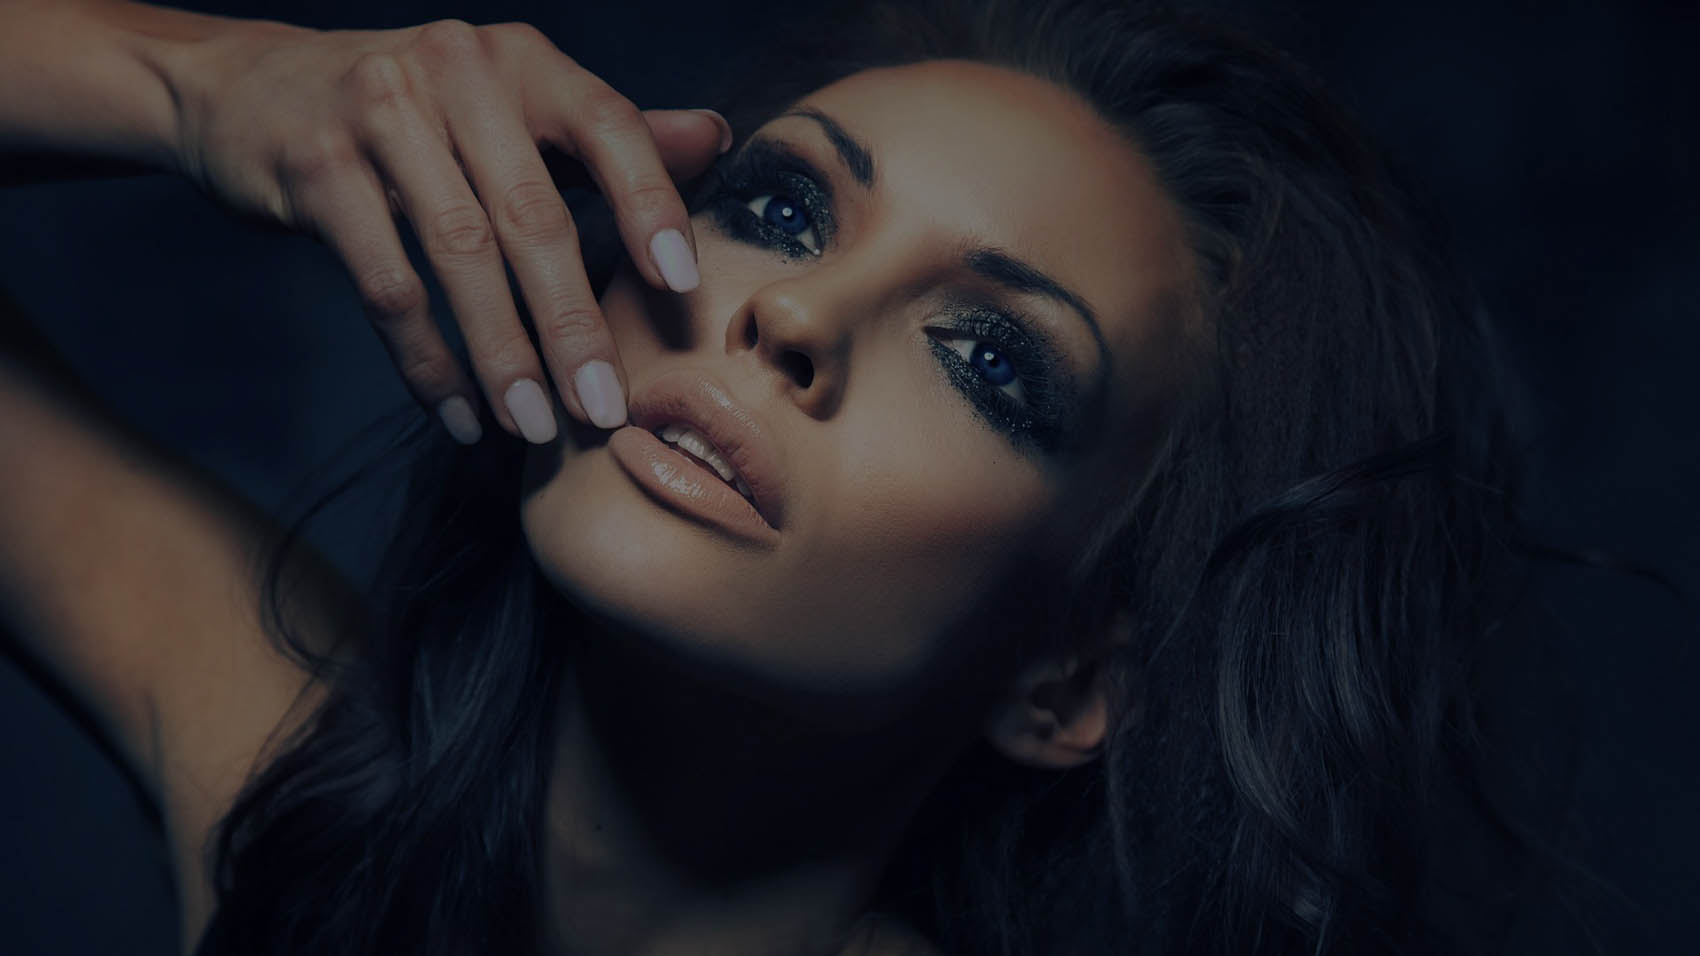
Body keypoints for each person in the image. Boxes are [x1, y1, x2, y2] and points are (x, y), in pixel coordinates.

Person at [0, 0, 1595, 953]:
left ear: (1064, 675)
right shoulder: (290, 786)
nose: (797, 315)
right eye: (780, 212)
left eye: (989, 359)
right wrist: (201, 84)